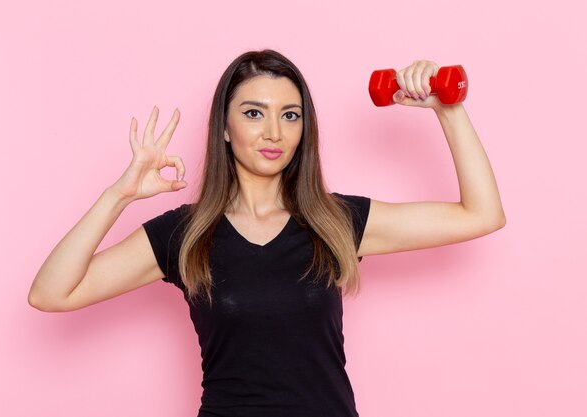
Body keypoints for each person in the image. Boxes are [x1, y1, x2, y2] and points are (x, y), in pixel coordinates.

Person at [28, 49, 505, 417]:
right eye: (254, 113)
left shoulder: (334, 221)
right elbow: (51, 293)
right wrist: (120, 194)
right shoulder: (186, 234)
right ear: (225, 128)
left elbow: (481, 214)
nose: (274, 132)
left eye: (290, 115)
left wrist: (448, 109)